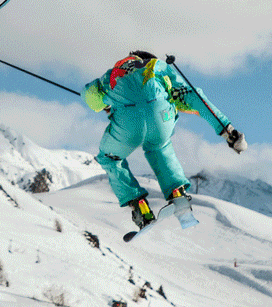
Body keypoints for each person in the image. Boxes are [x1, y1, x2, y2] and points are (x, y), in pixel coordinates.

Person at [83, 52, 246, 230]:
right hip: (161, 117)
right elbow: (194, 97)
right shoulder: (158, 67)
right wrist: (227, 130)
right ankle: (178, 194)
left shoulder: (112, 74)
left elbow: (91, 97)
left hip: (127, 125)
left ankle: (139, 205)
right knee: (160, 147)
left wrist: (106, 104)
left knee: (109, 158)